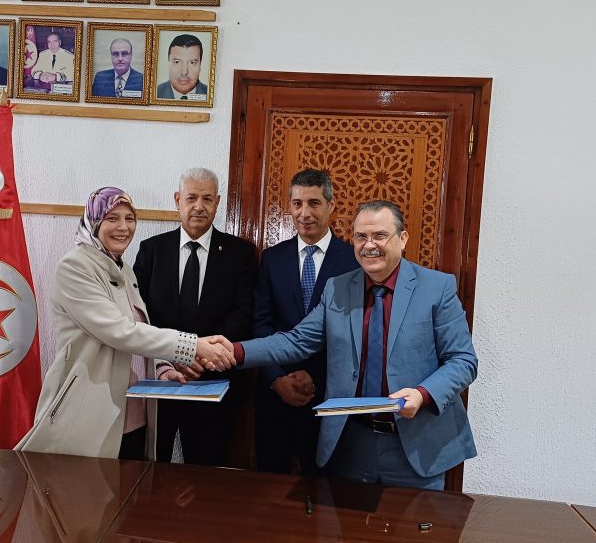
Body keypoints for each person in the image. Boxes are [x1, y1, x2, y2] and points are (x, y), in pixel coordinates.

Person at [220, 200, 478, 490]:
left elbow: (463, 361)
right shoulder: (337, 289)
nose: (369, 245)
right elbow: (297, 340)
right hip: (352, 446)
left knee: (418, 522)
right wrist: (233, 351)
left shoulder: (436, 287)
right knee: (346, 521)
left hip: (417, 445)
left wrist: (423, 394)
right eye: (360, 237)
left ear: (403, 238)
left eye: (380, 236)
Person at [16, 187, 233, 460]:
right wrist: (193, 346)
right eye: (112, 218)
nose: (123, 227)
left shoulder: (124, 269)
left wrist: (162, 368)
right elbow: (119, 332)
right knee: (84, 487)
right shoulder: (75, 267)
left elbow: (140, 330)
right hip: (92, 410)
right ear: (94, 221)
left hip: (134, 412)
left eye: (130, 218)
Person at [134, 168, 257, 466]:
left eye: (207, 199)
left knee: (206, 474)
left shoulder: (240, 253)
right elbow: (139, 314)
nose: (199, 206)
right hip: (160, 381)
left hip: (212, 382)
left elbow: (243, 314)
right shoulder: (152, 250)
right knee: (151, 472)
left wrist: (197, 357)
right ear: (178, 200)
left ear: (217, 203)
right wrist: (173, 356)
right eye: (191, 198)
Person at [253, 169, 358, 475]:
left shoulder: (353, 260)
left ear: (331, 205)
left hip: (328, 397)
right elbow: (261, 322)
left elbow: (354, 334)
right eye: (297, 204)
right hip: (276, 397)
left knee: (326, 489)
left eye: (314, 203)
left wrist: (315, 376)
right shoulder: (272, 258)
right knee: (270, 488)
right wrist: (277, 378)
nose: (304, 213)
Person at [155, 34, 208, 100]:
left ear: (200, 65)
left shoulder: (210, 95)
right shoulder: (154, 93)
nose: (184, 72)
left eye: (192, 63)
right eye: (177, 62)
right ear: (168, 63)